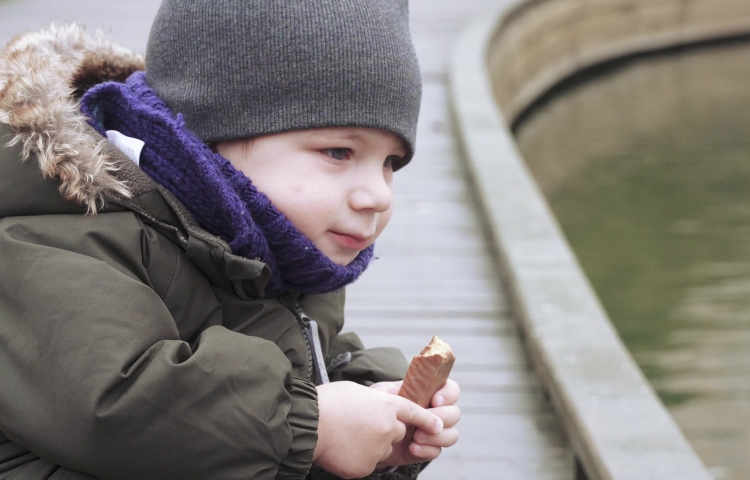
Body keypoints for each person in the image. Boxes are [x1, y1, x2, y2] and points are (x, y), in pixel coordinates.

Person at [0, 1, 460, 479]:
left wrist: (369, 410)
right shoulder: (58, 236)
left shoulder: (278, 258)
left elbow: (291, 357)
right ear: (209, 137)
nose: (379, 195)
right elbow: (115, 406)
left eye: (390, 163)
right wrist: (311, 425)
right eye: (339, 152)